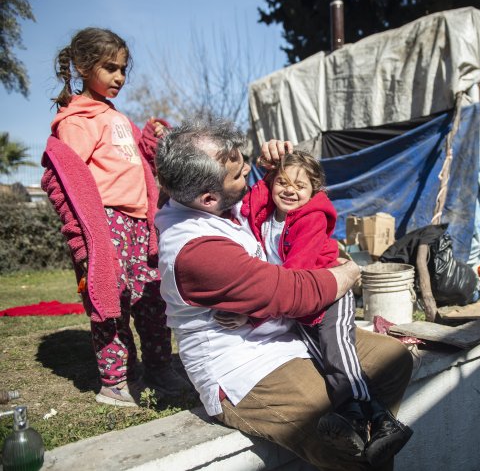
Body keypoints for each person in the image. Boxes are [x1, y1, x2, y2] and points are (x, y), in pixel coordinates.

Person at [154, 120, 414, 470]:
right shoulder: (196, 250)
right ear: (208, 197)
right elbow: (296, 293)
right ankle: (356, 448)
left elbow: (267, 206)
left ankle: (369, 431)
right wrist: (350, 272)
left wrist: (270, 168)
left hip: (288, 332)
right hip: (243, 366)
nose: (247, 170)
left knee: (394, 359)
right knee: (335, 430)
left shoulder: (209, 201)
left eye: (244, 162)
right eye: (237, 173)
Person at [221, 150, 411, 461]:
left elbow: (295, 275)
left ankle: (375, 420)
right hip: (302, 305)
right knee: (323, 359)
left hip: (329, 296)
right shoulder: (268, 213)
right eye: (282, 182)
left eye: (300, 186)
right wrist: (264, 170)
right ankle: (368, 418)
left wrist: (252, 314)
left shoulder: (310, 219)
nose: (289, 190)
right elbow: (251, 199)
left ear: (314, 191)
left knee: (338, 355)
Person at [41, 27, 190, 407]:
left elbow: (136, 162)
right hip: (107, 225)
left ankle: (158, 368)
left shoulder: (117, 116)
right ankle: (114, 380)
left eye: (123, 69)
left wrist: (150, 140)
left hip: (141, 223)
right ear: (81, 66)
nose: (120, 77)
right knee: (112, 303)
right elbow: (73, 180)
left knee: (153, 300)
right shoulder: (76, 120)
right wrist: (90, 238)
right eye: (110, 68)